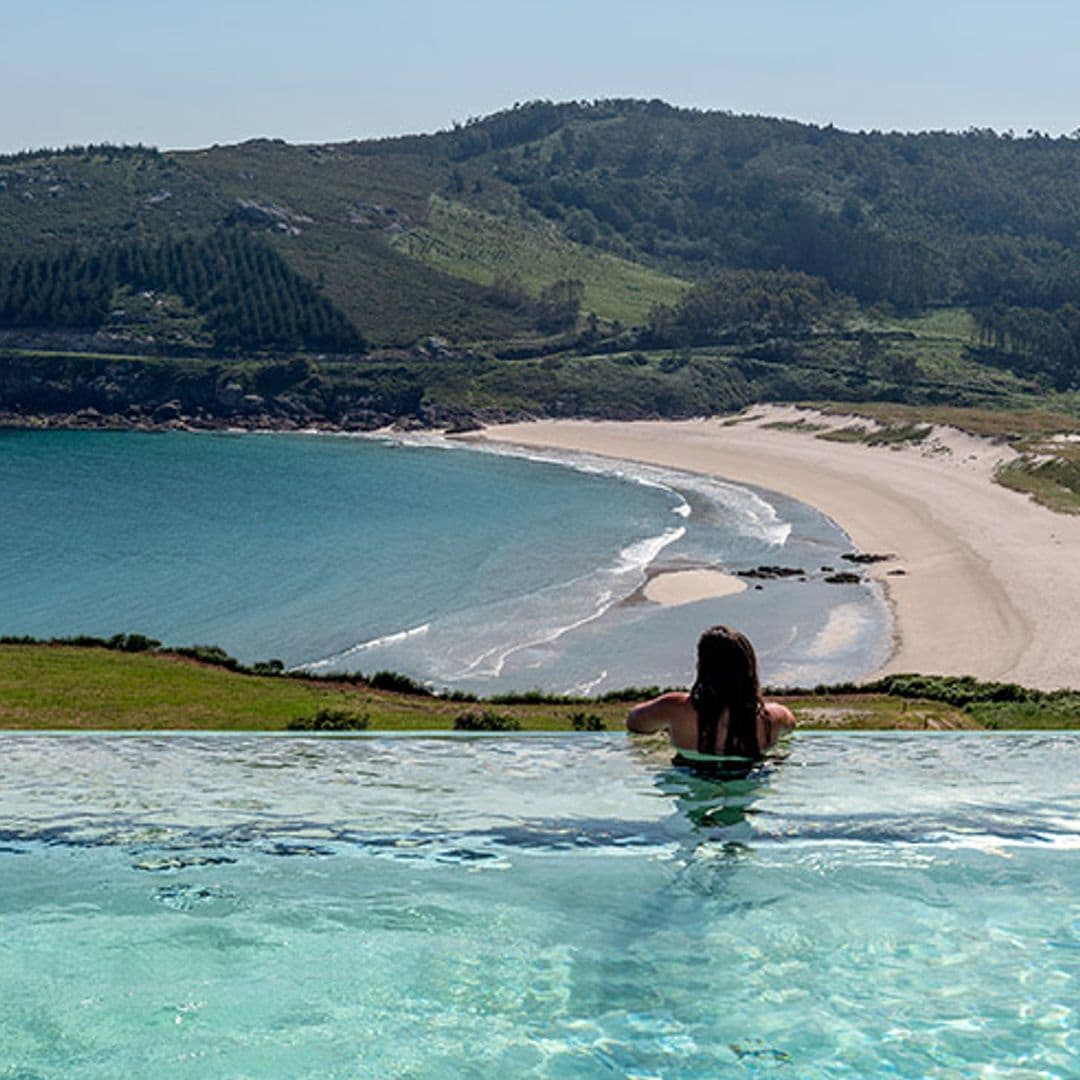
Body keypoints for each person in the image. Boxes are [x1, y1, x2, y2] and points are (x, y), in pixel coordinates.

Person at [627, 625, 795, 759]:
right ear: (749, 668)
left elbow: (634, 722)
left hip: (691, 779)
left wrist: (668, 726)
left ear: (702, 667)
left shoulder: (675, 708)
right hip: (752, 780)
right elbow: (790, 726)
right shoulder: (773, 717)